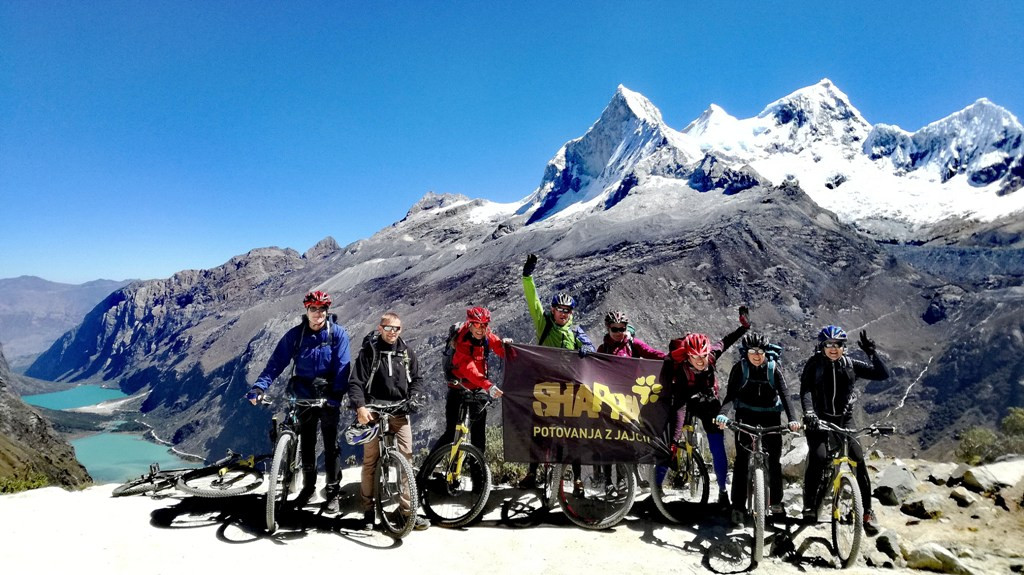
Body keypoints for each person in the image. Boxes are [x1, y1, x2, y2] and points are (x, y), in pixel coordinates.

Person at [246, 290, 351, 514]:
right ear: (307, 310)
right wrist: (260, 387)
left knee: (331, 445)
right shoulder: (296, 335)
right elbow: (276, 363)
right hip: (303, 394)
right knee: (307, 443)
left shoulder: (338, 334)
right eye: (313, 309)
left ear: (327, 311)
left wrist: (336, 395)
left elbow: (343, 367)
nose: (318, 313)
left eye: (322, 309)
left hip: (328, 396)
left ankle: (332, 492)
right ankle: (308, 488)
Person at [800, 326, 890, 536]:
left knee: (857, 459)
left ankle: (867, 512)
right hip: (818, 418)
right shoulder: (814, 364)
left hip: (844, 419)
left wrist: (872, 354)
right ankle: (809, 504)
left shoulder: (850, 365)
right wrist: (809, 413)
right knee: (818, 457)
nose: (833, 348)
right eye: (829, 344)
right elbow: (805, 390)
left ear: (843, 347)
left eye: (838, 344)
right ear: (822, 347)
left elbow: (882, 374)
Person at [519, 253, 596, 493]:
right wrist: (527, 276)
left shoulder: (576, 331)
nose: (563, 313)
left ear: (572, 312)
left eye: (568, 310)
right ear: (552, 310)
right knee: (539, 431)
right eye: (560, 309)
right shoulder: (544, 324)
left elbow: (591, 349)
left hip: (569, 391)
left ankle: (577, 479)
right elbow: (533, 301)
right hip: (545, 388)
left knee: (572, 434)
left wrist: (587, 349)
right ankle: (531, 474)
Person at [348, 311, 429, 531]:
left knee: (406, 458)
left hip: (399, 410)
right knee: (371, 461)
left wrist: (414, 397)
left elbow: (417, 379)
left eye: (397, 328)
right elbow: (355, 382)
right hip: (373, 411)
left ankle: (407, 511)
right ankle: (368, 512)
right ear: (380, 328)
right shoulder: (370, 352)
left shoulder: (406, 352)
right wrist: (360, 406)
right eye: (388, 328)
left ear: (401, 329)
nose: (393, 332)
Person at [666, 306, 750, 508]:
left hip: (708, 402)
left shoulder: (711, 356)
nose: (701, 361)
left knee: (717, 445)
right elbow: (679, 407)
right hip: (685, 400)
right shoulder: (679, 367)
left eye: (704, 356)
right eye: (696, 357)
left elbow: (727, 341)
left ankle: (722, 490)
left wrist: (744, 327)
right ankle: (658, 487)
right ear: (687, 355)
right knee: (672, 435)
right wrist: (674, 441)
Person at [715, 332, 801, 526]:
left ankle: (776, 503)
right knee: (741, 461)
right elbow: (731, 394)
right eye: (752, 351)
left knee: (774, 462)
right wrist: (723, 414)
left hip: (771, 416)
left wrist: (793, 420)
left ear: (765, 352)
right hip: (745, 415)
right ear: (746, 352)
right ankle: (738, 506)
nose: (756, 355)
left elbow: (785, 395)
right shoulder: (740, 368)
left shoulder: (773, 368)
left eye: (760, 351)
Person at [596, 309, 666, 491]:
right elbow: (594, 370)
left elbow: (652, 353)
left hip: (629, 401)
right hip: (609, 400)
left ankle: (622, 480)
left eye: (622, 328)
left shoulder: (633, 344)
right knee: (608, 440)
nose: (619, 332)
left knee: (624, 440)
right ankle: (608, 481)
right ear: (607, 328)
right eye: (615, 329)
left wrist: (672, 359)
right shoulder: (603, 349)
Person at [427, 306, 508, 458]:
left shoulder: (486, 334)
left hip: (478, 388)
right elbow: (468, 369)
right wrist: (488, 386)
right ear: (470, 323)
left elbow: (499, 348)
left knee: (479, 439)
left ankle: (478, 474)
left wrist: (507, 347)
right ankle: (426, 470)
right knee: (451, 434)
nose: (481, 328)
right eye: (477, 324)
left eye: (484, 324)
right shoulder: (460, 340)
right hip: (458, 387)